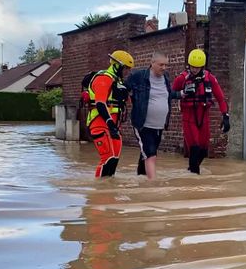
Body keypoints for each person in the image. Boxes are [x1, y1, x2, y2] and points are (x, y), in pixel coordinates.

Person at [172, 49, 230, 174]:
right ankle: (194, 183)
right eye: (193, 67)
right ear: (189, 65)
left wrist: (225, 115)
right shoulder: (181, 79)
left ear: (202, 67)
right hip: (189, 116)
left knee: (204, 149)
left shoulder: (210, 78)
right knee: (195, 147)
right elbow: (170, 94)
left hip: (204, 115)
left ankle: (190, 172)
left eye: (197, 68)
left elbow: (221, 98)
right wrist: (182, 93)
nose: (194, 70)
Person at [85, 50, 134, 178]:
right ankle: (99, 192)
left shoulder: (118, 82)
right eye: (126, 68)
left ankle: (109, 192)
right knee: (107, 158)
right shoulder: (103, 79)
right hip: (100, 123)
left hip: (114, 127)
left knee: (114, 160)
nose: (127, 72)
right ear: (117, 66)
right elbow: (100, 104)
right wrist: (110, 123)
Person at [126, 52, 173, 180]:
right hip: (143, 124)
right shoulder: (139, 76)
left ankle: (140, 178)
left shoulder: (166, 77)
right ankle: (153, 186)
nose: (164, 68)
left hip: (159, 126)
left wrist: (181, 94)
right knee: (151, 155)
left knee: (146, 153)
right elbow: (123, 88)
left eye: (166, 65)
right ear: (152, 63)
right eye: (161, 65)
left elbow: (168, 94)